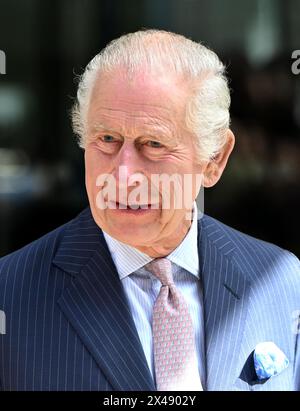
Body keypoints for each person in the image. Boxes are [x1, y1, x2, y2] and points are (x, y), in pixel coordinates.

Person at [0, 29, 299, 391]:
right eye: (107, 139)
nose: (123, 176)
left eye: (153, 144)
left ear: (214, 159)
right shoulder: (10, 293)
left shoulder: (283, 283)